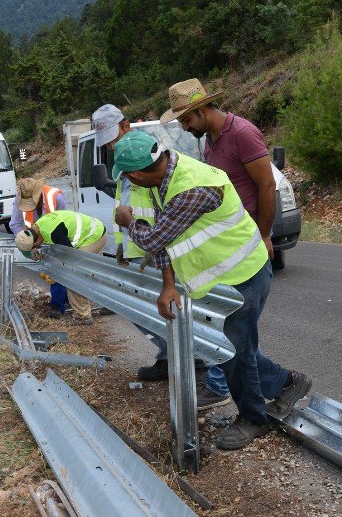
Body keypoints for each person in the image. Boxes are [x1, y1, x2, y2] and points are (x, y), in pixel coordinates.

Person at [112, 130, 311, 450]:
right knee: (236, 347)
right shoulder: (159, 181)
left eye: (126, 177)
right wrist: (167, 286)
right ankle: (287, 383)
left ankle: (253, 418)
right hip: (221, 281)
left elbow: (152, 238)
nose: (127, 182)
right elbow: (165, 238)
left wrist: (127, 221)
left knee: (232, 350)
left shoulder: (193, 186)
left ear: (135, 174)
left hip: (245, 273)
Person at [161, 78, 277, 408]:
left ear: (201, 109)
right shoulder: (210, 141)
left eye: (186, 120)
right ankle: (278, 386)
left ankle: (260, 393)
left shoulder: (242, 133)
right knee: (237, 335)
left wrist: (265, 235)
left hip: (249, 246)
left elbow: (267, 186)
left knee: (235, 338)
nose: (184, 127)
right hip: (230, 250)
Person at [93, 104, 197, 382]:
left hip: (156, 248)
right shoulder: (125, 164)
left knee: (164, 308)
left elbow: (162, 218)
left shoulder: (148, 158)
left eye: (114, 139)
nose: (112, 147)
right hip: (138, 249)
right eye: (108, 144)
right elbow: (126, 205)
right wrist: (122, 247)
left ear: (126, 126)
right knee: (143, 312)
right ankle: (167, 357)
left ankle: (193, 363)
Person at [15, 210, 107, 325]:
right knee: (94, 274)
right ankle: (113, 304)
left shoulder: (54, 232)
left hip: (93, 236)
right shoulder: (38, 225)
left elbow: (69, 257)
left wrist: (54, 271)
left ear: (35, 243)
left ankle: (82, 316)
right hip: (95, 229)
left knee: (73, 275)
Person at [10, 178, 70, 319]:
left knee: (57, 268)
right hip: (35, 240)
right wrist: (27, 239)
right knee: (48, 272)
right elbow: (15, 224)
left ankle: (57, 305)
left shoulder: (56, 198)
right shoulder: (19, 199)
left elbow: (65, 222)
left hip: (57, 238)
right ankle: (64, 297)